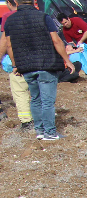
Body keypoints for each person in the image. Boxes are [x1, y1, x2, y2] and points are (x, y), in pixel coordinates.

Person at [0, 0, 72, 140]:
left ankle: (39, 131)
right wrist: (67, 60)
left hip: (26, 66)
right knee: (47, 101)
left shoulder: (10, 21)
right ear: (33, 2)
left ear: (15, 2)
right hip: (46, 64)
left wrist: (16, 65)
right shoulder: (43, 17)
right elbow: (56, 40)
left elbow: (9, 45)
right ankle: (50, 132)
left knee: (35, 99)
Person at [0, 0, 33, 130]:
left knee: (20, 91)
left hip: (18, 59)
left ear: (9, 2)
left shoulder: (8, 17)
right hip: (40, 59)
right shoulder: (41, 14)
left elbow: (6, 42)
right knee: (38, 91)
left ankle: (27, 122)